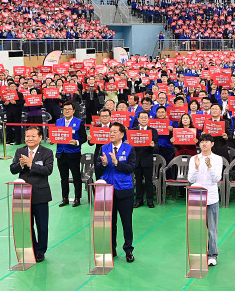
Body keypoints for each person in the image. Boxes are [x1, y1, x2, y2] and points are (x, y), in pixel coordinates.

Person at [9, 126, 54, 263]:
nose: (30, 139)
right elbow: (12, 169)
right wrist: (21, 165)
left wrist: (30, 164)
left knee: (42, 225)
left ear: (40, 138)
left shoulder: (47, 152)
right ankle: (32, 247)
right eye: (28, 136)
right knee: (27, 224)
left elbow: (48, 170)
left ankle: (41, 251)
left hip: (40, 194)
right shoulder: (20, 151)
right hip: (23, 194)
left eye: (33, 136)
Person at [95, 122, 137, 263]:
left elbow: (131, 168)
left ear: (122, 134)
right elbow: (98, 168)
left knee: (127, 223)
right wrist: (104, 164)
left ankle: (128, 250)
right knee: (110, 222)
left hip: (124, 190)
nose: (111, 134)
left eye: (114, 131)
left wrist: (117, 163)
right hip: (108, 191)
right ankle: (111, 249)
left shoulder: (129, 149)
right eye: (110, 131)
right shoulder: (103, 148)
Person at [187, 134, 223, 266]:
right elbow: (191, 179)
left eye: (207, 142)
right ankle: (198, 253)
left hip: (211, 198)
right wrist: (196, 168)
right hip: (196, 198)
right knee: (197, 228)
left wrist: (209, 166)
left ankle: (212, 255)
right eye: (202, 142)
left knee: (212, 229)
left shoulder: (218, 159)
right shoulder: (193, 159)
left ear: (212, 144)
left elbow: (216, 179)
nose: (204, 144)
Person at [55, 102, 87, 207]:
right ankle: (65, 198)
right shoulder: (58, 122)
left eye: (69, 109)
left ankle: (77, 198)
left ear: (73, 111)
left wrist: (76, 142)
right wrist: (52, 140)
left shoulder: (79, 122)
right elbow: (56, 135)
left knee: (76, 177)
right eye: (65, 109)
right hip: (61, 153)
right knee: (63, 178)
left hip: (73, 154)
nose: (67, 111)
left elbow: (84, 137)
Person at [130, 111, 158, 208]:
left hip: (147, 160)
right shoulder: (133, 131)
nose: (143, 119)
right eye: (141, 117)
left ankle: (150, 201)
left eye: (145, 117)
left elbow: (157, 146)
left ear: (148, 119)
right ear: (138, 119)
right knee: (138, 182)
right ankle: (139, 201)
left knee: (148, 181)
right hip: (136, 160)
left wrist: (153, 146)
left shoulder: (153, 131)